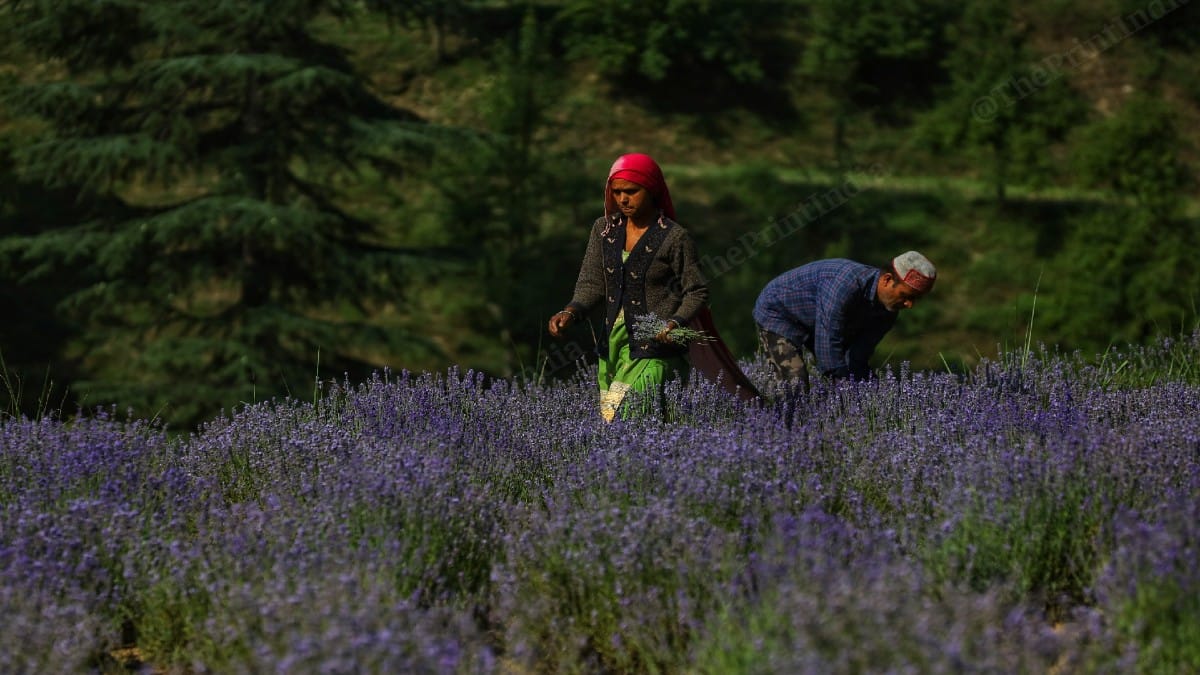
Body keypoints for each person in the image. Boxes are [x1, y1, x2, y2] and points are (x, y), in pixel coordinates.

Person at [548, 153, 757, 421]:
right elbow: (592, 282)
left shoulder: (674, 237)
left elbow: (696, 291)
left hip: (656, 347)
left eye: (632, 192)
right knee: (613, 422)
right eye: (617, 192)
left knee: (631, 417)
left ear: (652, 189)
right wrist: (571, 311)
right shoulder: (604, 230)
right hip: (613, 347)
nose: (623, 199)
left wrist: (674, 323)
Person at [752, 251, 936, 388]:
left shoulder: (889, 310)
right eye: (906, 295)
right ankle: (785, 432)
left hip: (815, 319)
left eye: (915, 299)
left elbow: (857, 355)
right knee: (794, 383)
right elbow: (828, 339)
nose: (909, 305)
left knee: (864, 383)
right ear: (887, 280)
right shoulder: (845, 284)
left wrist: (869, 392)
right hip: (781, 313)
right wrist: (844, 388)